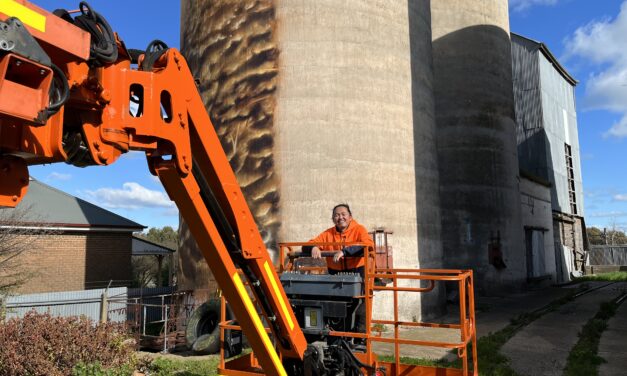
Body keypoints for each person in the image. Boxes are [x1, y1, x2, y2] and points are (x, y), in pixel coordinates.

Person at [303, 204, 374, 275]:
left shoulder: (359, 229)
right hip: (335, 273)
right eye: (337, 215)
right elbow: (307, 245)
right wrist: (313, 247)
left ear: (350, 217)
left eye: (343, 214)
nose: (340, 217)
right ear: (333, 219)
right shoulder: (327, 234)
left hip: (357, 272)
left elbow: (368, 244)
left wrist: (345, 252)